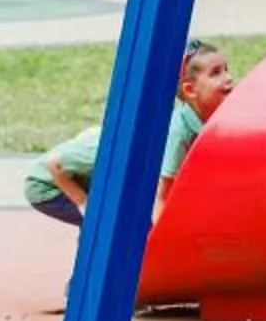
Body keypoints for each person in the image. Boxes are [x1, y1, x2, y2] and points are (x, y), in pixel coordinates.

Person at [21, 39, 237, 229]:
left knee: (115, 222)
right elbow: (55, 164)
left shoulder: (198, 121)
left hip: (96, 174)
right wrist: (83, 204)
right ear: (190, 91)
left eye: (226, 69)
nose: (228, 77)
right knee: (108, 229)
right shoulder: (175, 134)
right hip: (47, 185)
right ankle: (91, 274)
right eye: (216, 72)